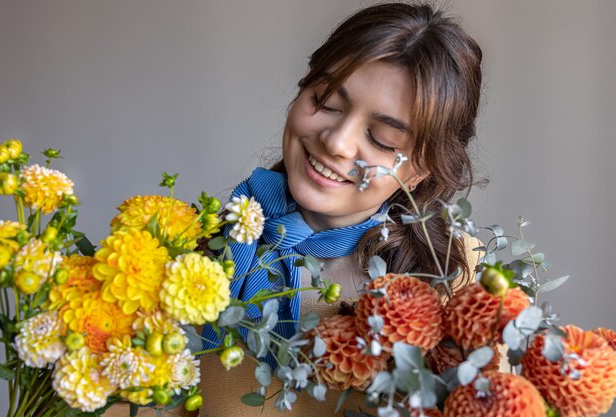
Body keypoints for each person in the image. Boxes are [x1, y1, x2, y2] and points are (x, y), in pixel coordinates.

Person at [105, 2, 483, 416]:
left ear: (419, 172)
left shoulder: (456, 275)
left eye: (382, 139)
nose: (337, 142)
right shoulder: (197, 254)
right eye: (325, 101)